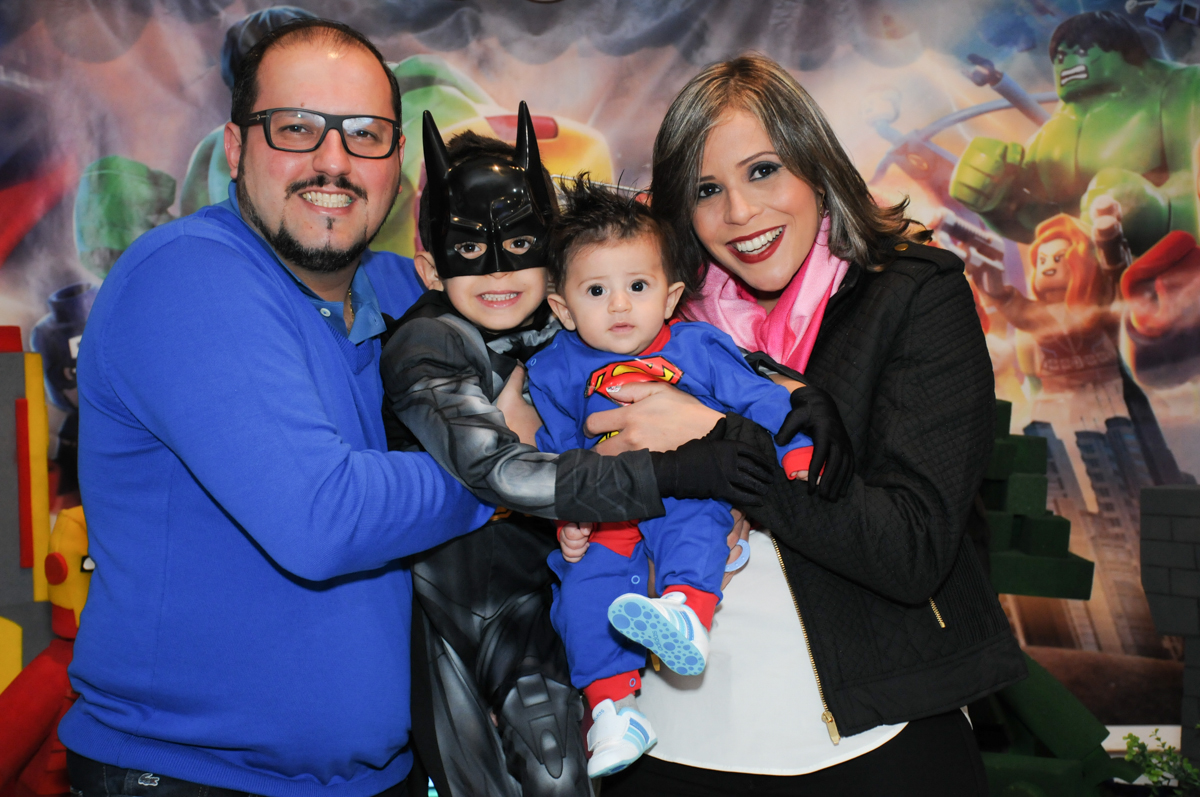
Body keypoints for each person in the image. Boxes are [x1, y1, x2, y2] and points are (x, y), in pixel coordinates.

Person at [60, 18, 497, 797]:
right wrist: (504, 471)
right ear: (236, 148)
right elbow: (322, 516)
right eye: (296, 128)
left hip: (384, 775)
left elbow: (567, 381)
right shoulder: (186, 276)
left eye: (365, 134)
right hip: (188, 776)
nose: (333, 160)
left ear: (396, 160)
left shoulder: (409, 290)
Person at [593, 54, 1027, 796]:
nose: (739, 212)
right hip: (667, 741)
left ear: (817, 168)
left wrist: (715, 442)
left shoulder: (913, 296)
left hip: (876, 735)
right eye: (706, 189)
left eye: (763, 171)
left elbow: (912, 549)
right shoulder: (642, 321)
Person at [379, 110, 773, 797]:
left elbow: (696, 360)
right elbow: (498, 469)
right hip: (468, 603)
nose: (499, 268)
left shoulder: (562, 320)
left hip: (557, 583)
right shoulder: (431, 342)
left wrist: (777, 406)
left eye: (519, 243)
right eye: (470, 248)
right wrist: (670, 472)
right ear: (432, 268)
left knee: (571, 762)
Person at [528, 178, 813, 778]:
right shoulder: (553, 370)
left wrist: (798, 453)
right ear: (563, 309)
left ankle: (687, 609)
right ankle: (613, 712)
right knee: (581, 592)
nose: (619, 306)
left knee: (691, 518)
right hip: (609, 505)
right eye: (596, 290)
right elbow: (558, 451)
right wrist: (568, 515)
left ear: (669, 295)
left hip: (688, 484)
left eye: (637, 287)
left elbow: (763, 401)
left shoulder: (697, 347)